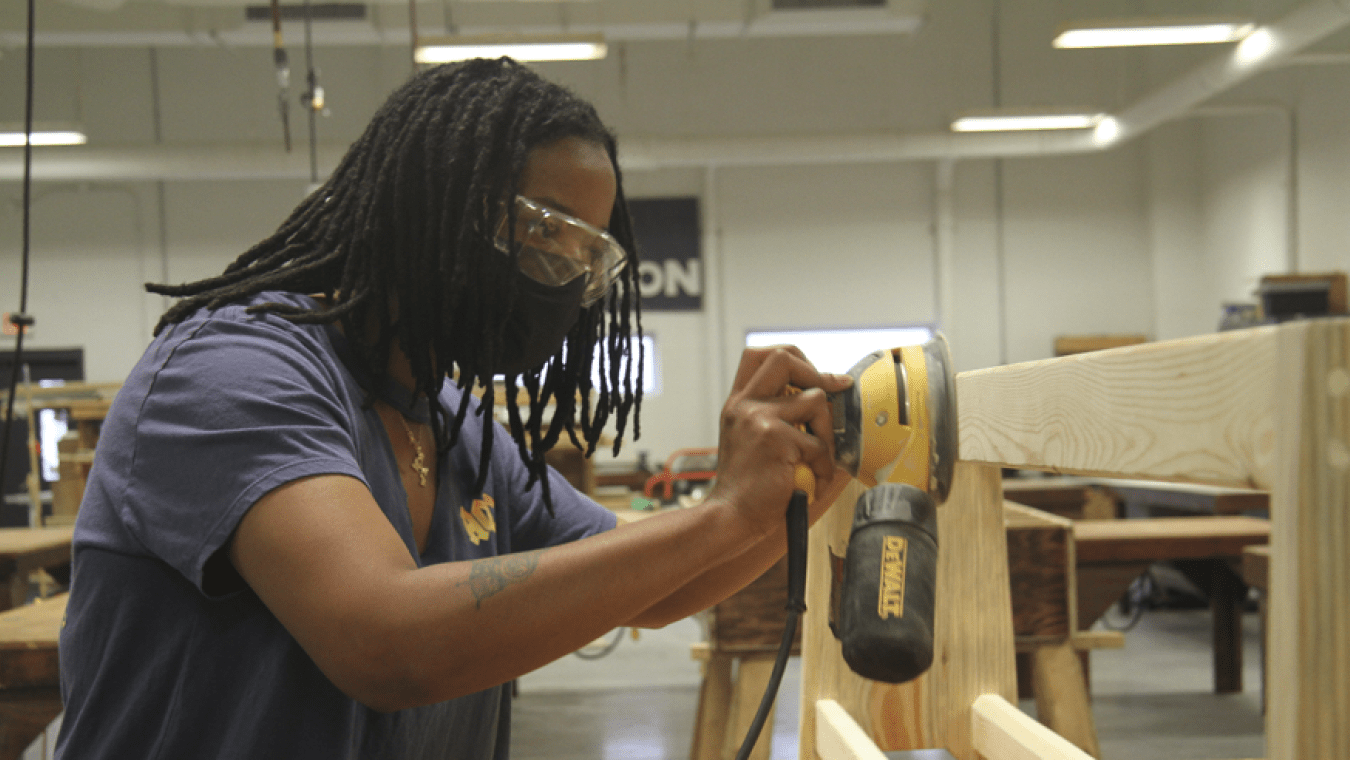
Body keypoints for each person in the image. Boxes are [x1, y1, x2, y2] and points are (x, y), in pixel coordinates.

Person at [55, 57, 852, 759]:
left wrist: (812, 480)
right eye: (545, 233)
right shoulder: (233, 371)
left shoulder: (451, 422)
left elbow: (660, 589)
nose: (566, 282)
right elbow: (388, 643)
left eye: (588, 258)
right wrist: (721, 512)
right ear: (429, 205)